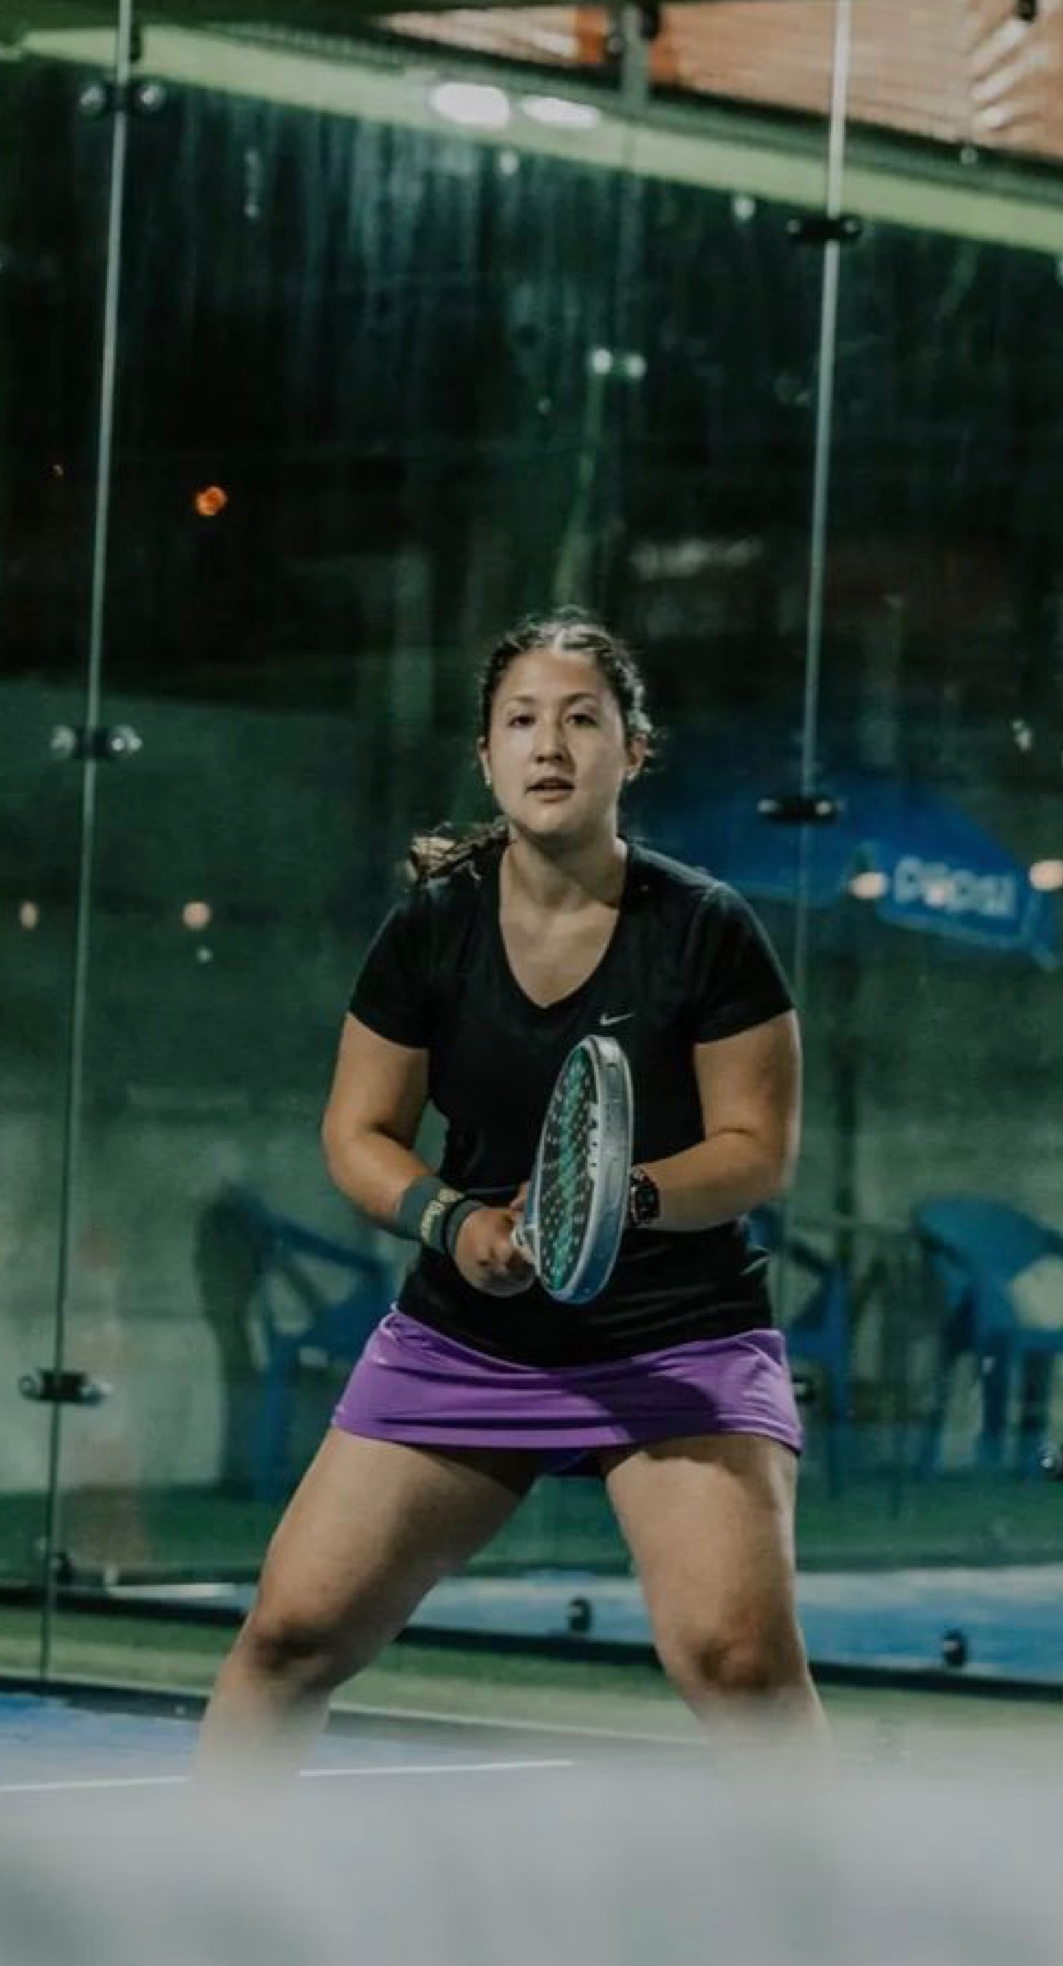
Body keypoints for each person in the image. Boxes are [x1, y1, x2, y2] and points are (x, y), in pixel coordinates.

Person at [199, 607, 827, 1759]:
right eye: (522, 720)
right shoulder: (429, 928)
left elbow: (755, 1151)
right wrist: (453, 1223)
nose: (550, 744)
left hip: (676, 1337)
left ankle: (822, 1884)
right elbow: (359, 1131)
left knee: (739, 1665)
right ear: (486, 755)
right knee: (289, 1637)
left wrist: (613, 1202)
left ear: (633, 750)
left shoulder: (708, 928)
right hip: (469, 1336)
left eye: (582, 719)